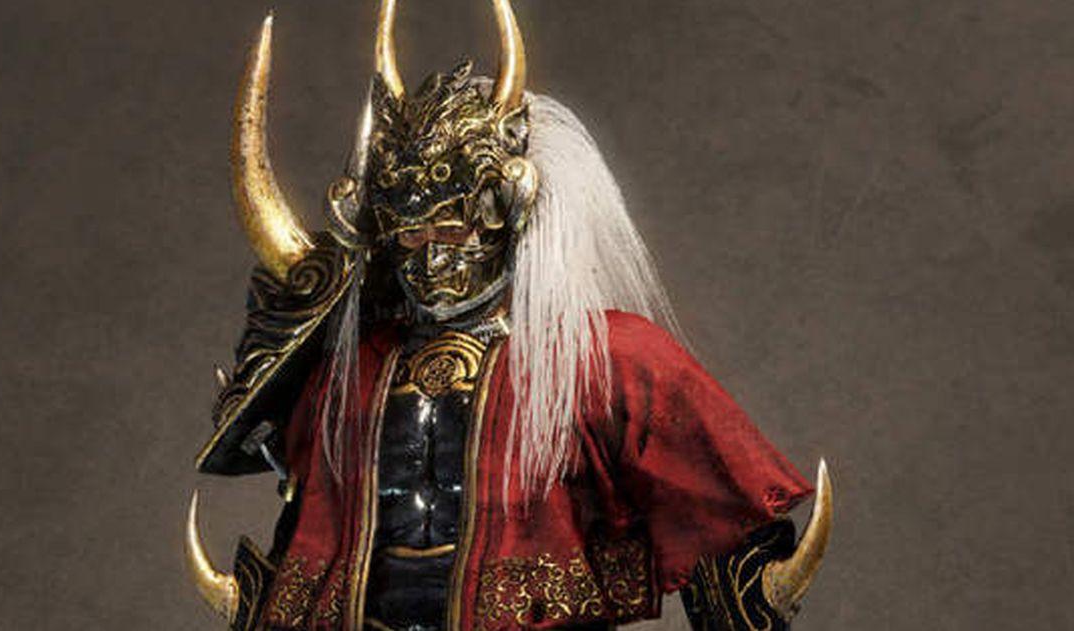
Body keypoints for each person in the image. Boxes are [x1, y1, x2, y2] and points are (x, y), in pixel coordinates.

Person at [187, 2, 833, 629]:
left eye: (451, 229)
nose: (432, 255)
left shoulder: (602, 360)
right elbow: (309, 523)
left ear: (505, 212)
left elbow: (707, 509)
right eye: (412, 235)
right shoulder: (354, 371)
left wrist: (740, 592)